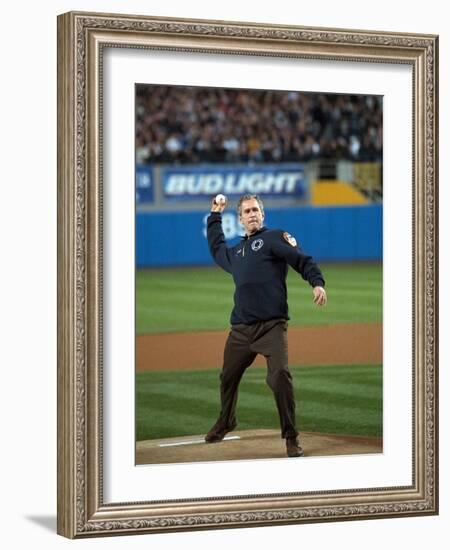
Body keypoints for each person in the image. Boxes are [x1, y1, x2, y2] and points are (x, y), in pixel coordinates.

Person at [205, 194, 327, 457]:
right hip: (240, 330)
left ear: (263, 214)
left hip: (272, 327)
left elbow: (301, 259)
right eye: (247, 211)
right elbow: (216, 248)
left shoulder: (273, 238)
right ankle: (226, 420)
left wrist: (316, 282)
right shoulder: (236, 253)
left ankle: (291, 436)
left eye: (255, 210)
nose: (252, 214)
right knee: (228, 377)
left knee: (279, 376)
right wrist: (215, 215)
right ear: (239, 219)